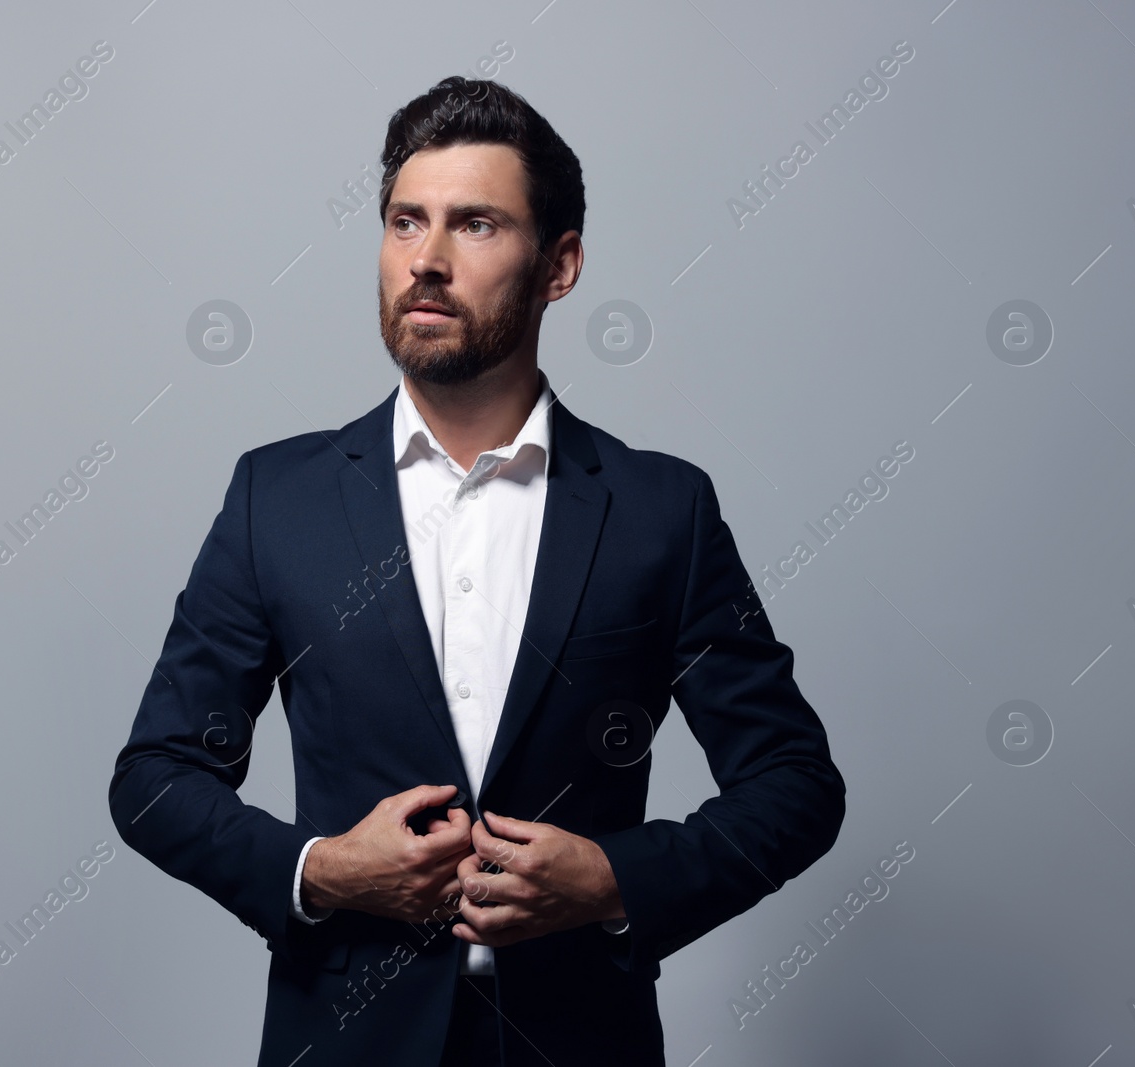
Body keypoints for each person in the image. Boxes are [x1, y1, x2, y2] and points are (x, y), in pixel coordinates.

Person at [108, 75, 845, 1067]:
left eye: (476, 225)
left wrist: (617, 879)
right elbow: (154, 777)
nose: (427, 259)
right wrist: (320, 868)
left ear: (560, 264)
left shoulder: (659, 510)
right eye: (405, 221)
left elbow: (794, 782)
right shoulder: (272, 500)